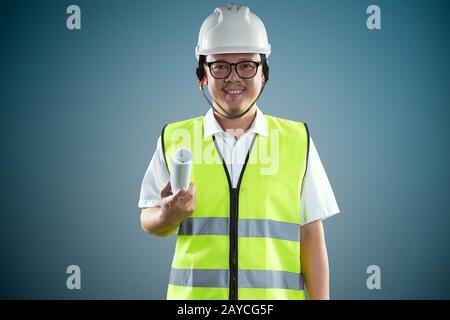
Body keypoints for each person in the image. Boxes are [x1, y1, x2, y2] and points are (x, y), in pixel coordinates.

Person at [138, 4, 340, 300]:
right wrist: (168, 215)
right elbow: (148, 219)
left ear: (264, 74)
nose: (233, 77)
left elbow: (310, 237)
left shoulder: (298, 140)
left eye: (247, 64)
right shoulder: (175, 137)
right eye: (220, 65)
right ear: (202, 76)